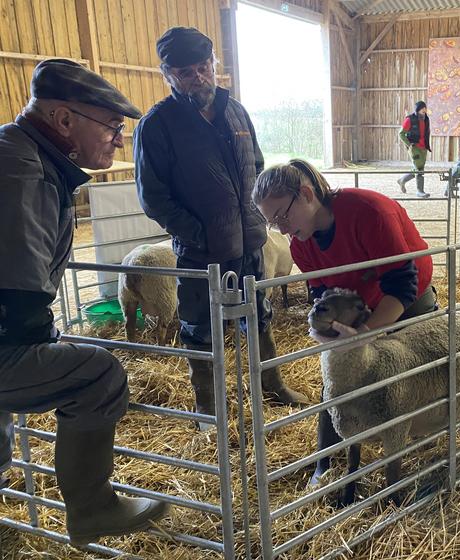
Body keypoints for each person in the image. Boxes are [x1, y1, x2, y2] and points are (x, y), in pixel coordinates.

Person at [0, 59, 169, 546]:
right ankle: (92, 507)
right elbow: (17, 289)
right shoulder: (22, 170)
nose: (119, 139)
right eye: (113, 126)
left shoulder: (22, 154)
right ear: (64, 120)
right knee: (97, 374)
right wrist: (38, 342)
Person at [134, 27, 310, 421]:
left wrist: (258, 217)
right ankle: (207, 406)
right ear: (167, 73)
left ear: (215, 64)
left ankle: (272, 385)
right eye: (185, 71)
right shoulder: (157, 125)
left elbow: (258, 166)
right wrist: (198, 233)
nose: (198, 77)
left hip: (249, 243)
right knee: (199, 325)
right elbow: (153, 197)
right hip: (200, 253)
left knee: (258, 315)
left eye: (203, 66)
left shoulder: (236, 111)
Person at [252, 159, 436, 486]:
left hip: (406, 299)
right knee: (340, 376)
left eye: (281, 215)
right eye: (271, 222)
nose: (279, 229)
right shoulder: (302, 245)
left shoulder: (369, 212)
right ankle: (325, 463)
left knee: (419, 369)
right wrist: (331, 334)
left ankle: (426, 440)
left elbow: (402, 283)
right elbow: (322, 296)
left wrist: (364, 335)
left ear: (306, 194)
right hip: (356, 305)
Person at [396, 100, 431, 198]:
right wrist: (409, 144)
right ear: (418, 110)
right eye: (422, 109)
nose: (425, 111)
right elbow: (401, 133)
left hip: (424, 147)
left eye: (425, 109)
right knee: (419, 169)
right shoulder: (410, 120)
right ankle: (420, 191)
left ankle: (402, 180)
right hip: (414, 147)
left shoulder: (426, 119)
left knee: (418, 168)